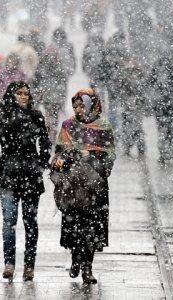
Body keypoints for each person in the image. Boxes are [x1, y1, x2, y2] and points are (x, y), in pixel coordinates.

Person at [0, 81, 51, 281]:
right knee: (9, 221)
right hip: (8, 174)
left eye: (27, 93)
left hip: (30, 176)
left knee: (30, 221)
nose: (24, 97)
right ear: (12, 95)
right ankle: (9, 263)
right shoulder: (0, 117)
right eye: (20, 93)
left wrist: (41, 164)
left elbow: (45, 142)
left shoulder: (35, 116)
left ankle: (29, 265)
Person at [51, 88, 116, 284]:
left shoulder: (103, 126)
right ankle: (75, 258)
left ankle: (88, 267)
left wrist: (94, 157)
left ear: (91, 105)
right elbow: (59, 151)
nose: (78, 109)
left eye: (82, 105)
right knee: (74, 226)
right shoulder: (68, 125)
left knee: (92, 228)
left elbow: (110, 154)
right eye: (75, 106)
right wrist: (63, 159)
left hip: (95, 187)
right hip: (72, 186)